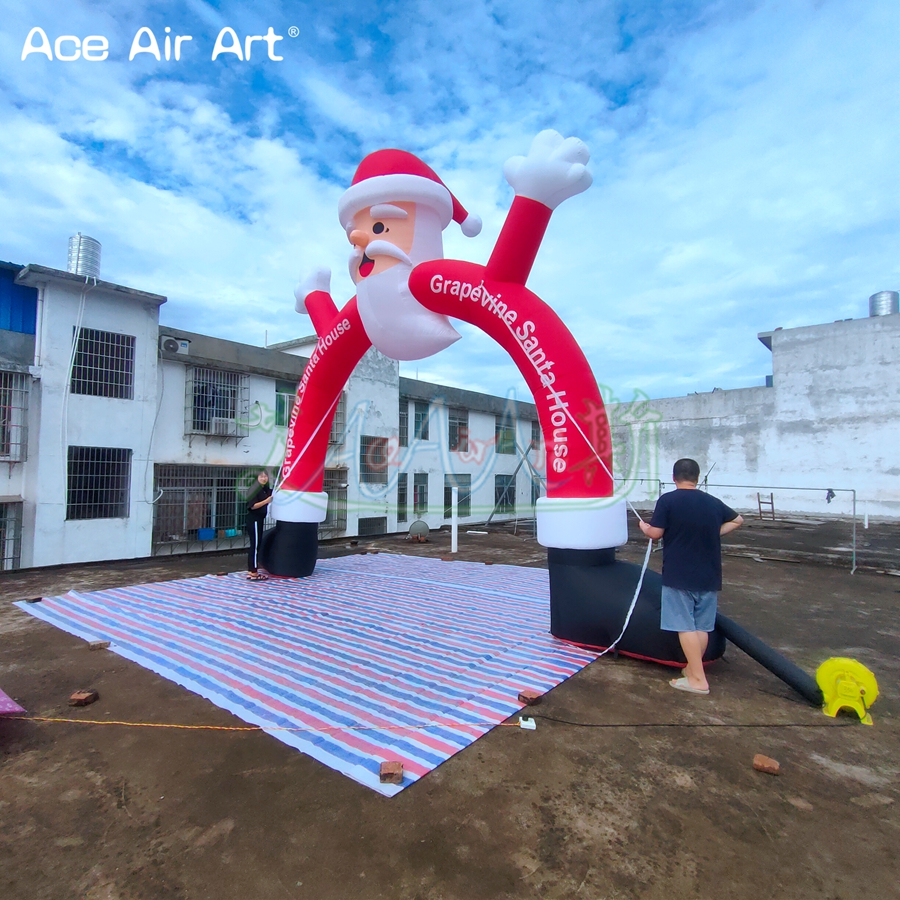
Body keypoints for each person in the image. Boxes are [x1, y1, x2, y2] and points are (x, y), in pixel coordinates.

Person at [639, 458, 743, 694]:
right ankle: (692, 670)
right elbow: (738, 520)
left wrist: (645, 528)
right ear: (697, 478)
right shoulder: (712, 502)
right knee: (701, 626)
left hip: (679, 573)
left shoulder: (668, 500)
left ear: (674, 478)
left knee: (684, 625)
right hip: (709, 574)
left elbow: (656, 533)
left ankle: (698, 680)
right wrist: (713, 533)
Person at [246, 471, 273, 581]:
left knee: (257, 544)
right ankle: (253, 572)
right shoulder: (254, 489)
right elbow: (253, 506)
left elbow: (273, 492)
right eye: (261, 476)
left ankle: (251, 570)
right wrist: (267, 501)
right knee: (255, 545)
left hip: (260, 519)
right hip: (254, 520)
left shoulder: (264, 489)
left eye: (265, 476)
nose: (263, 478)